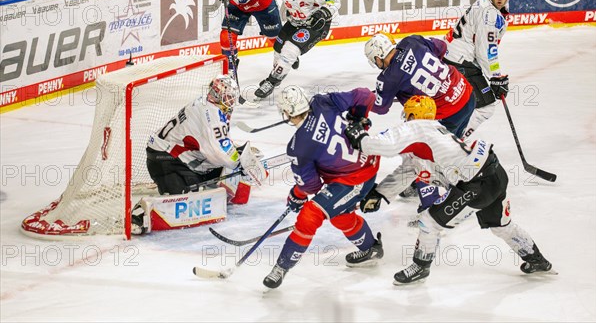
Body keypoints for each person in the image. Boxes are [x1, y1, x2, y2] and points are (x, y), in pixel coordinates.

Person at [344, 94, 554, 284]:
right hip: (494, 173)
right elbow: (409, 170)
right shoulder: (435, 133)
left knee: (429, 221)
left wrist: (361, 139)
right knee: (501, 226)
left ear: (412, 115)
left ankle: (421, 267)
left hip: (476, 183)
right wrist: (380, 193)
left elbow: (386, 145)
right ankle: (536, 259)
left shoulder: (418, 128)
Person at [262, 85, 382, 289]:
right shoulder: (321, 102)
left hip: (356, 178)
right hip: (369, 157)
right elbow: (366, 96)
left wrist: (298, 194)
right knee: (338, 214)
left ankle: (282, 267)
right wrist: (358, 120)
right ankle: (370, 248)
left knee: (311, 214)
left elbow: (311, 185)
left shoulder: (298, 146)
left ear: (286, 113)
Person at [135, 75, 265, 234]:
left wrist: (238, 158)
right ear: (217, 95)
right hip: (166, 160)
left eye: (232, 98)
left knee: (225, 171)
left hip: (183, 158)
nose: (231, 102)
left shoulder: (207, 104)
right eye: (228, 97)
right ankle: (139, 216)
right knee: (182, 204)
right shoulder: (211, 113)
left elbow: (218, 148)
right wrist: (240, 163)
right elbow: (218, 153)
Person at [216, 0, 341, 100]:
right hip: (295, 21)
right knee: (278, 48)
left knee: (290, 50)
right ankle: (277, 74)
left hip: (316, 24)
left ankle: (272, 80)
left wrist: (323, 12)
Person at [364, 32, 475, 139]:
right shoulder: (411, 41)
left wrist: (360, 100)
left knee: (438, 154)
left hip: (449, 113)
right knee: (457, 149)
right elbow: (442, 46)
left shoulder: (388, 78)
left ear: (378, 58)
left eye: (374, 61)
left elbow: (381, 107)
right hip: (466, 93)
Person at [443, 0, 512, 140]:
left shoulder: (487, 2)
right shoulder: (489, 15)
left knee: (462, 103)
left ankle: (447, 139)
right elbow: (485, 51)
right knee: (485, 107)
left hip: (454, 56)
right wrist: (495, 77)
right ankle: (454, 143)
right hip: (460, 61)